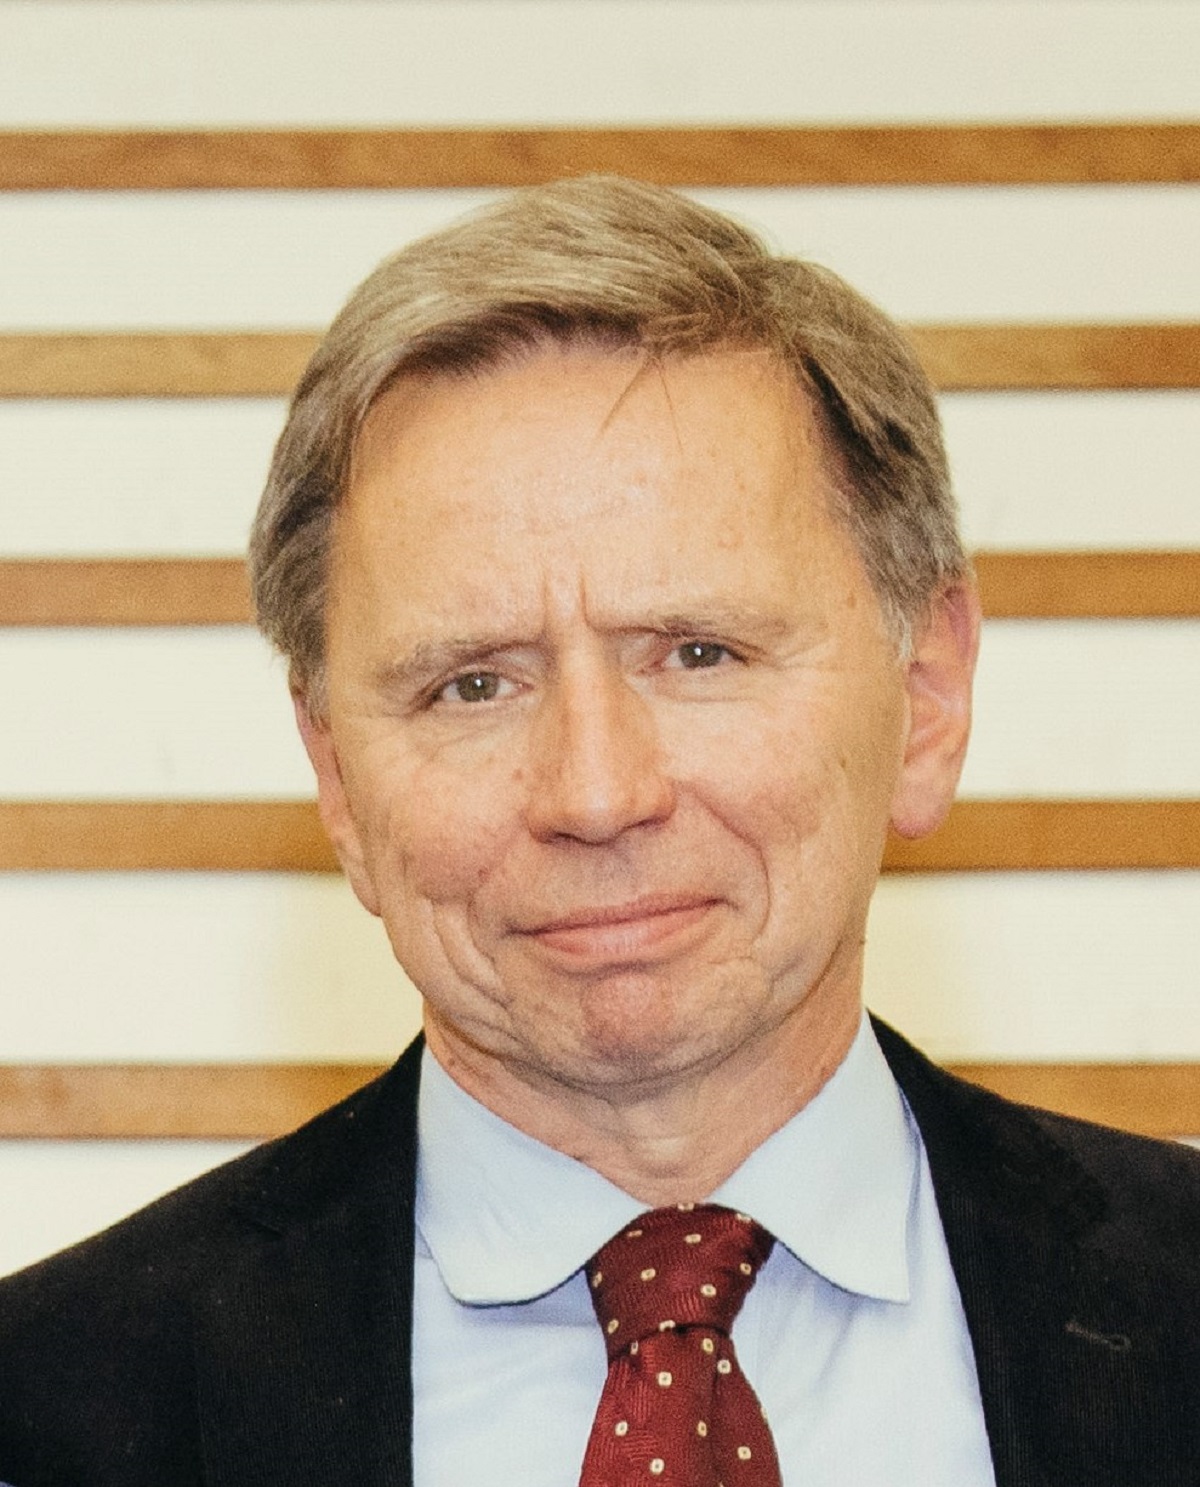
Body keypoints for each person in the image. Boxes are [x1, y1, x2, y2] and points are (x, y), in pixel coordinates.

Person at [1, 177, 1196, 1487]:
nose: (594, 792)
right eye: (473, 684)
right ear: (336, 774)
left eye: (698, 652)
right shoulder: (46, 1406)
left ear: (926, 697)